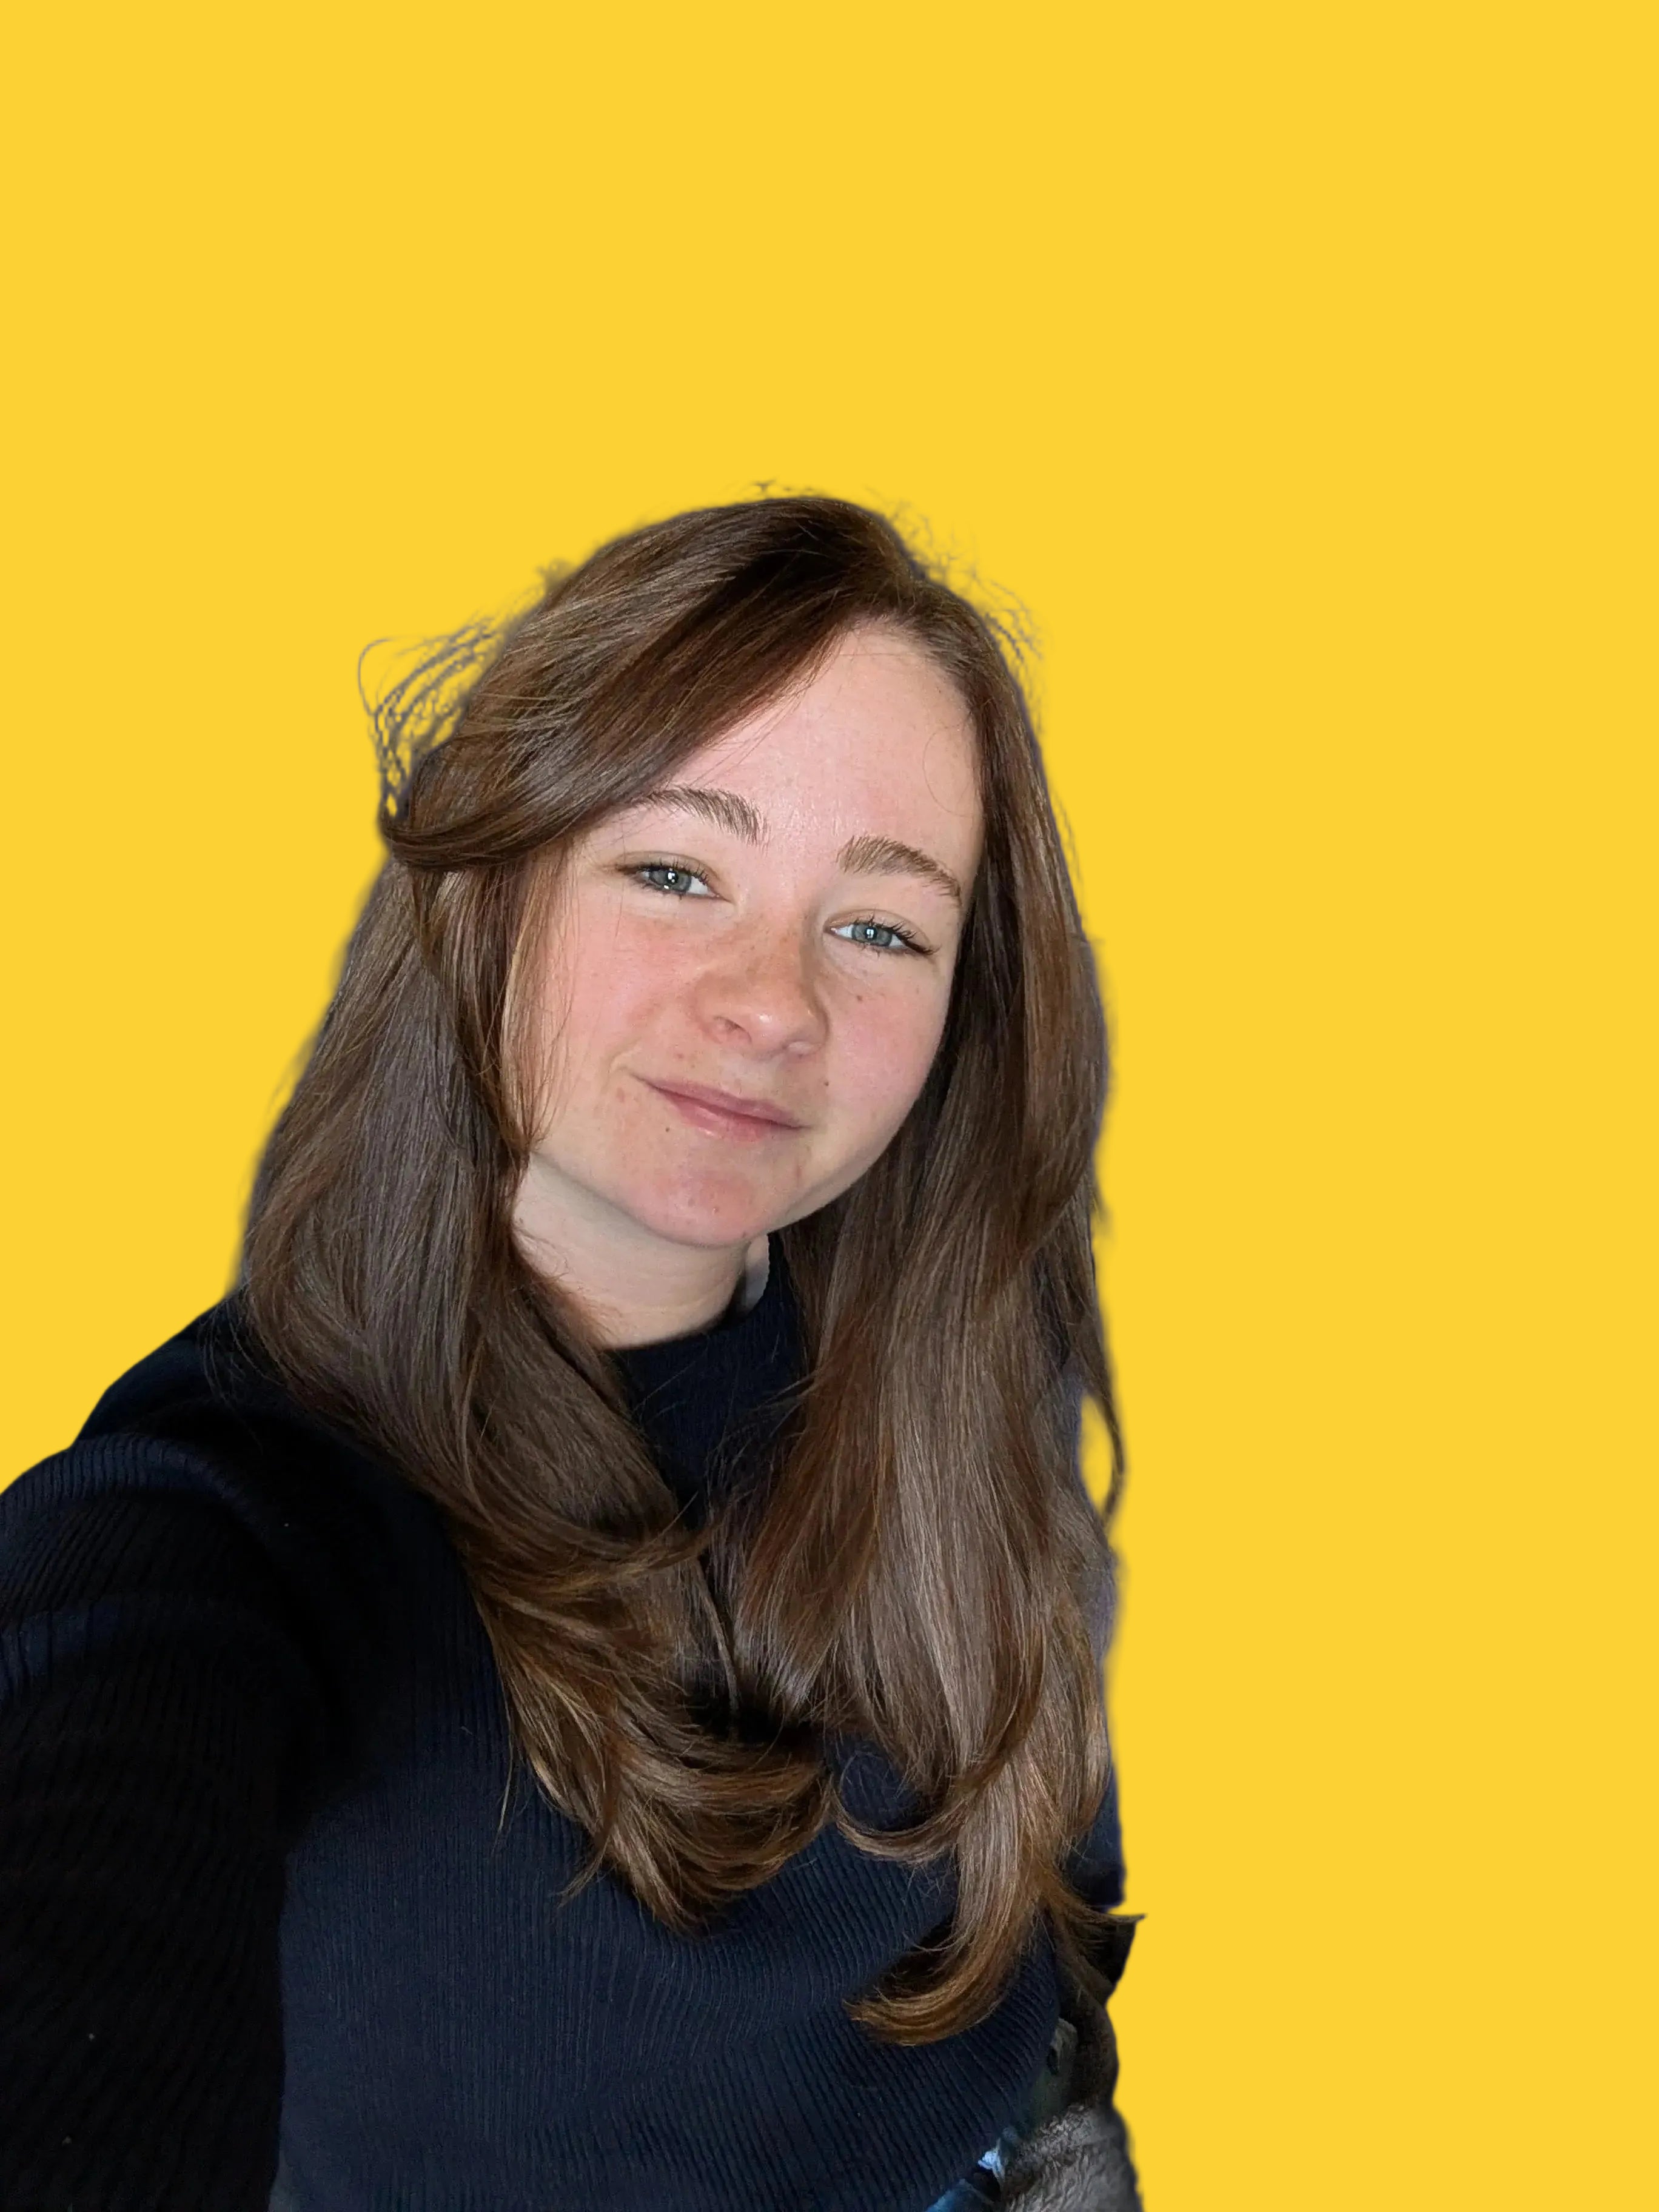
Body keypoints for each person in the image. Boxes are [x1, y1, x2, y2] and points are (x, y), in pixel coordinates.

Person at [0, 495, 1142, 2211]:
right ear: (489, 896)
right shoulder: (214, 1519)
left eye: (882, 925)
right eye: (676, 870)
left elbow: (1048, 1893)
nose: (775, 1002)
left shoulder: (966, 1342)